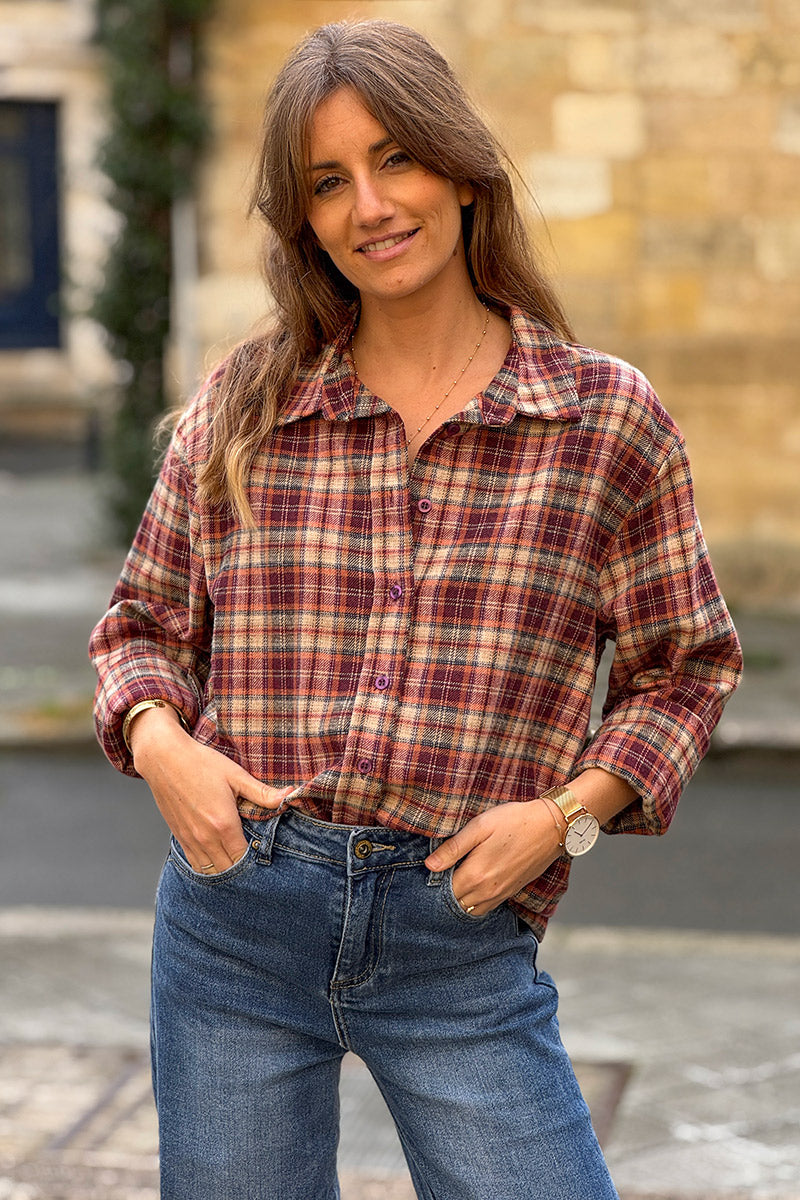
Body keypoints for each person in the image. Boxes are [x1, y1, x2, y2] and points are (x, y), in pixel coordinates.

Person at [90, 18, 742, 1200]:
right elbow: (139, 627)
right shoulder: (249, 399)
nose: (370, 206)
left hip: (460, 937)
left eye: (394, 158)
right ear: (304, 222)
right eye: (327, 182)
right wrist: (161, 745)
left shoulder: (603, 422)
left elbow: (684, 669)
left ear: (459, 169)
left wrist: (563, 816)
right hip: (234, 919)